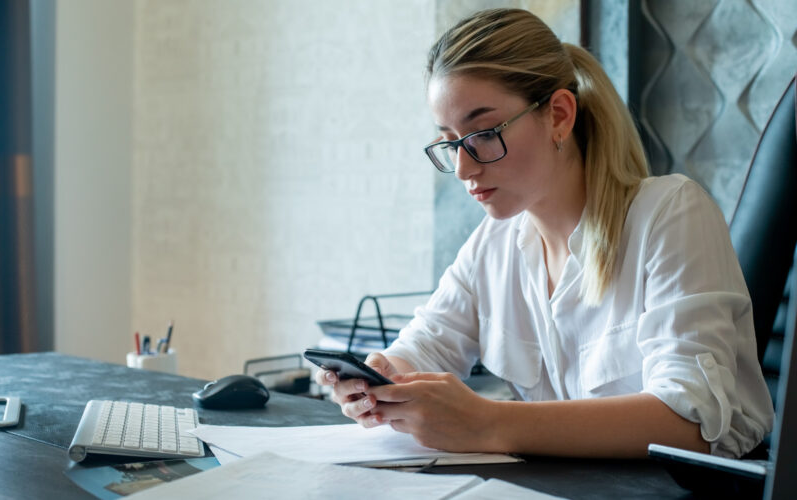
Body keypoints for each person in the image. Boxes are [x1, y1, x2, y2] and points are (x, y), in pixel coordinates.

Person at [315, 8, 774, 459]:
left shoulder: (670, 215)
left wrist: (485, 422)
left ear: (558, 115)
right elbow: (426, 345)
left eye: (484, 134)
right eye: (450, 142)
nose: (462, 168)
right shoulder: (493, 246)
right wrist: (377, 381)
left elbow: (689, 423)